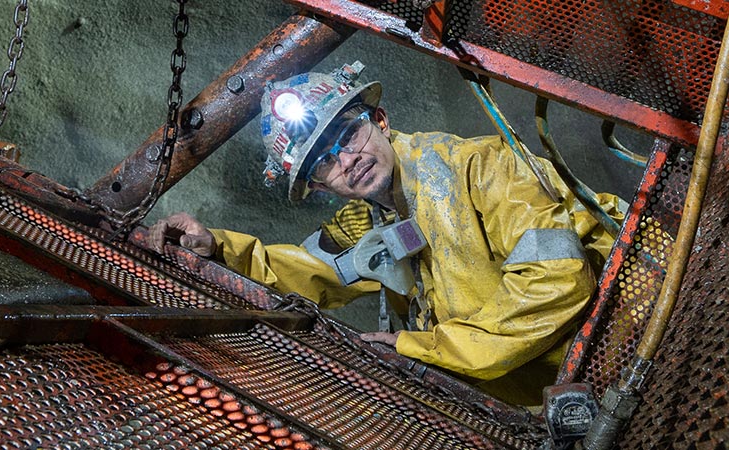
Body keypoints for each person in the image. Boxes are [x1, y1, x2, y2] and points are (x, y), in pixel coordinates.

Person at [140, 62, 625, 405]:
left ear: (380, 121)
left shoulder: (480, 168)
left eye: (348, 136)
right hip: (552, 391)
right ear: (319, 187)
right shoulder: (368, 221)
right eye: (324, 162)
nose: (346, 161)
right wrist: (217, 250)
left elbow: (556, 279)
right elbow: (310, 273)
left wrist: (421, 348)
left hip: (629, 336)